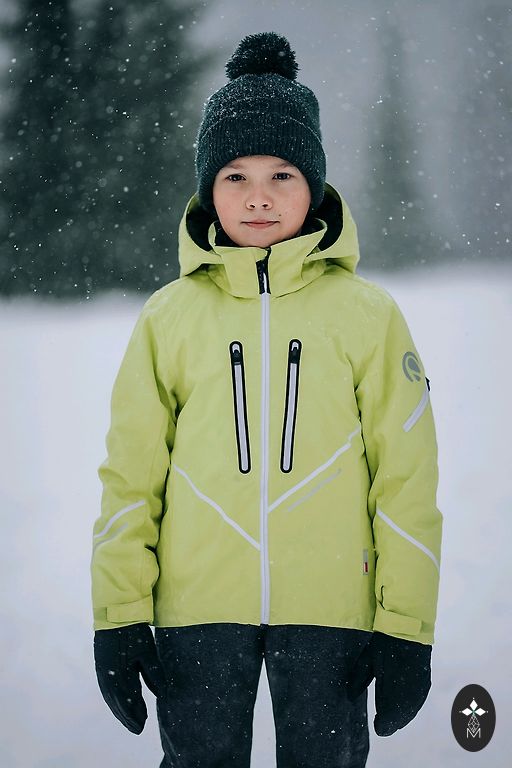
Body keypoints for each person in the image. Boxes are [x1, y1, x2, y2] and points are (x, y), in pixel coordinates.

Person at [91, 32, 443, 768]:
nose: (258, 195)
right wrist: (119, 615)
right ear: (207, 189)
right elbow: (130, 480)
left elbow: (406, 484)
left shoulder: (367, 317)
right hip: (196, 616)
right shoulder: (168, 318)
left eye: (283, 173)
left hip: (330, 616)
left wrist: (405, 628)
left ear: (315, 186)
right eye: (235, 175)